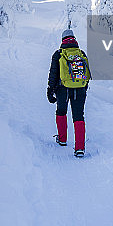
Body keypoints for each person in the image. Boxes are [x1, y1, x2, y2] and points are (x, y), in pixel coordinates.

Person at [47, 28, 91, 157]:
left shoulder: (58, 54)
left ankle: (62, 139)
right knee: (78, 116)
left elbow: (53, 74)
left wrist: (50, 90)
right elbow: (86, 74)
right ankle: (80, 148)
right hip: (80, 89)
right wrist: (83, 88)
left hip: (62, 89)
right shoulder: (81, 53)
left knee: (61, 112)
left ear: (62, 40)